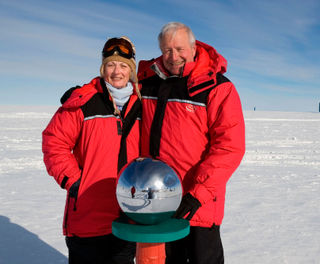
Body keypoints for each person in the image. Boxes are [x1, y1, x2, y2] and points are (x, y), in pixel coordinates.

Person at [137, 22, 245, 264]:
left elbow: (229, 147)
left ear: (194, 47)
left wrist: (197, 196)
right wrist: (87, 91)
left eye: (179, 49)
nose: (173, 57)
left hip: (199, 205)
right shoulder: (148, 81)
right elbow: (115, 80)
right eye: (166, 50)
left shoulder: (218, 87)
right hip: (158, 200)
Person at [42, 36, 141, 264]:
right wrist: (75, 181)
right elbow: (53, 142)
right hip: (88, 216)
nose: (117, 71)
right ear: (102, 67)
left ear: (132, 71)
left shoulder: (141, 105)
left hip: (128, 216)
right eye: (111, 64)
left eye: (124, 65)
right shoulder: (83, 101)